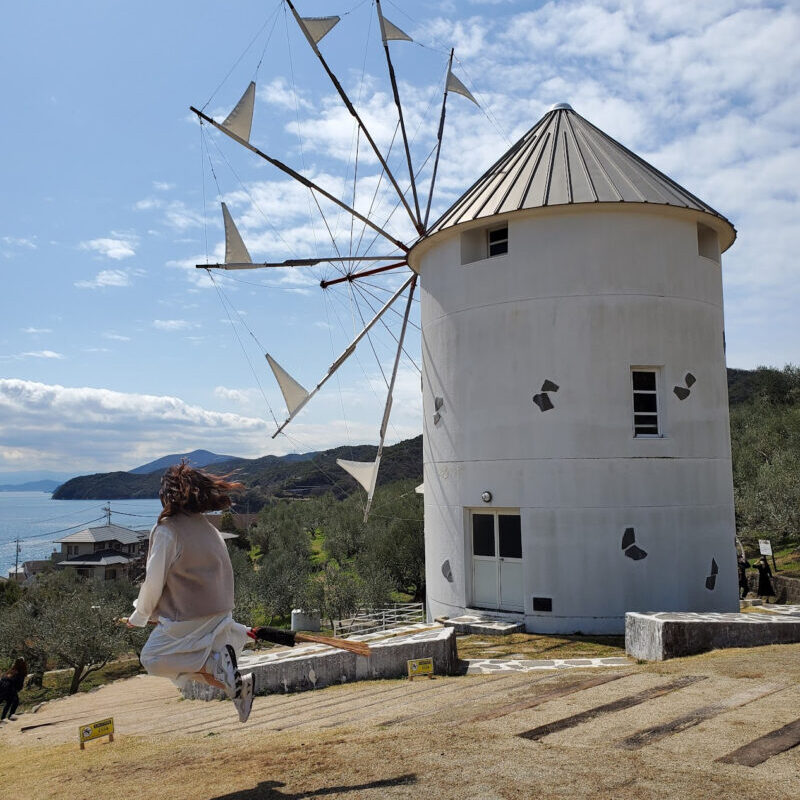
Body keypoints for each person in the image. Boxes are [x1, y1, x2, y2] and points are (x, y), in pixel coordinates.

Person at [120, 462, 254, 723]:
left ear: (166, 495)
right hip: (221, 614)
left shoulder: (168, 530)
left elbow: (153, 582)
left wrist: (140, 616)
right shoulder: (210, 529)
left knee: (152, 659)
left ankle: (219, 666)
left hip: (189, 618)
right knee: (190, 664)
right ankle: (237, 688)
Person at [0, 657, 27, 723]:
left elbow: (3, 678)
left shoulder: (12, 670)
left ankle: (3, 717)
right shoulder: (20, 671)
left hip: (3, 687)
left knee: (9, 702)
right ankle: (10, 715)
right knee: (15, 701)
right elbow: (18, 683)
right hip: (8, 687)